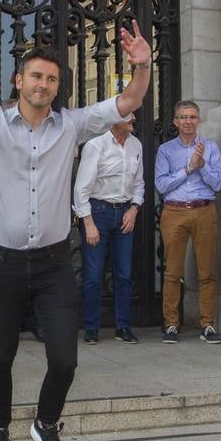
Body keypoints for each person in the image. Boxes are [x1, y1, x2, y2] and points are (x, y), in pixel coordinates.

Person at [0, 16, 151, 441]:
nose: (44, 84)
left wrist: (142, 67)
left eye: (51, 78)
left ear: (57, 86)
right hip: (4, 263)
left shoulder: (72, 125)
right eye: (36, 76)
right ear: (18, 80)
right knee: (0, 357)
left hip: (52, 265)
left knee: (65, 358)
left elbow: (128, 101)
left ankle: (46, 423)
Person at [155, 100, 221, 343]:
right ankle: (171, 323)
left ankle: (207, 324)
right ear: (175, 122)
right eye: (183, 117)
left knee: (207, 271)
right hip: (174, 212)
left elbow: (219, 184)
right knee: (172, 272)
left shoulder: (210, 148)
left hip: (204, 210)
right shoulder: (165, 150)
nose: (187, 122)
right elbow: (161, 185)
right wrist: (188, 168)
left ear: (199, 120)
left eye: (192, 117)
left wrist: (202, 165)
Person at [74, 115, 144, 345]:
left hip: (125, 213)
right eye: (127, 114)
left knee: (123, 275)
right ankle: (91, 328)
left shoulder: (136, 145)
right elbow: (81, 188)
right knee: (93, 276)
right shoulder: (96, 145)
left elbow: (139, 183)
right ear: (113, 120)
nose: (133, 117)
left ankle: (123, 327)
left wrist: (134, 208)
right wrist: (89, 223)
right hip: (99, 212)